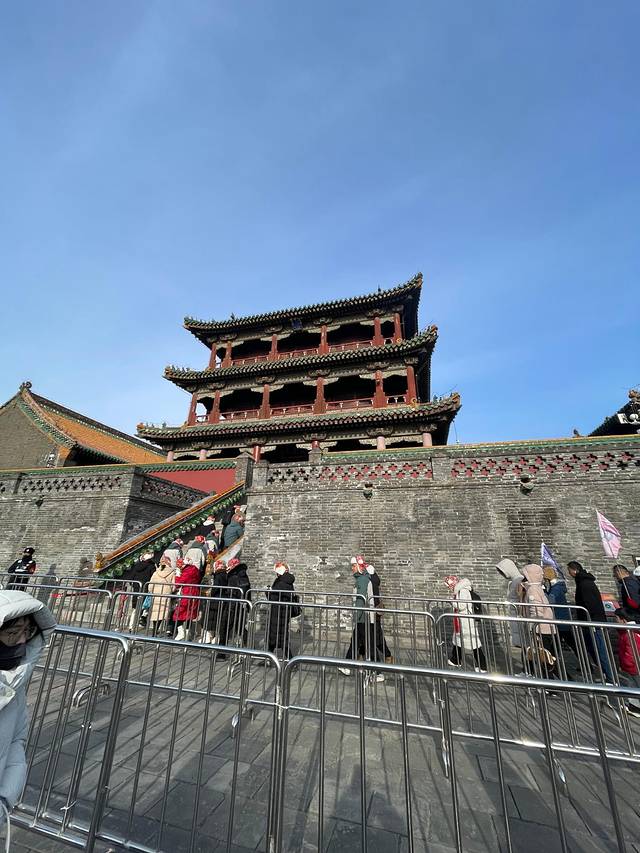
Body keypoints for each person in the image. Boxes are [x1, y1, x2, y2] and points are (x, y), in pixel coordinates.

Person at [0, 590, 56, 834]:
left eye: (28, 631)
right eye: (12, 633)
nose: (22, 641)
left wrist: (5, 798)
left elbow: (16, 742)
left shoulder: (14, 686)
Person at [567, 560, 614, 682]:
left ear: (574, 570)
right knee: (593, 649)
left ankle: (610, 676)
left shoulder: (585, 584)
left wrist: (590, 620)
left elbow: (590, 604)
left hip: (593, 622)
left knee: (600, 650)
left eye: (569, 570)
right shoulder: (583, 582)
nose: (569, 573)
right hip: (589, 622)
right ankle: (604, 673)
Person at [339, 556, 384, 682]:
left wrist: (357, 615)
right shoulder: (362, 579)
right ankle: (347, 666)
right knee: (356, 641)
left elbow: (361, 600)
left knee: (369, 644)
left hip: (364, 617)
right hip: (363, 617)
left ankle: (378, 672)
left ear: (359, 567)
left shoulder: (362, 580)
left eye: (354, 566)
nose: (352, 568)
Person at [520, 564, 557, 680]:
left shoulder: (532, 590)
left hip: (540, 628)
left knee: (544, 657)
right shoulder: (537, 588)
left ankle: (550, 682)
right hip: (545, 626)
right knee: (546, 656)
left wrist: (532, 627)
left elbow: (536, 611)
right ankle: (561, 679)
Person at [445, 575, 487, 672]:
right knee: (458, 640)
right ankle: (455, 659)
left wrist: (451, 601)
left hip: (466, 621)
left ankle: (483, 665)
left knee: (473, 643)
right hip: (462, 620)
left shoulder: (462, 591)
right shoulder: (461, 589)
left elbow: (462, 605)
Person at [266, 562, 300, 658]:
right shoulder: (288, 580)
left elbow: (273, 598)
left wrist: (268, 592)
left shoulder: (280, 582)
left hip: (278, 612)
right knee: (277, 635)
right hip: (284, 611)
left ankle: (290, 659)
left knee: (279, 635)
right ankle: (268, 657)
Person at [364, 561, 393, 663]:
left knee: (375, 636)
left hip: (372, 613)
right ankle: (360, 655)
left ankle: (385, 657)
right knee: (366, 635)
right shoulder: (374, 581)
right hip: (372, 612)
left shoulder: (370, 582)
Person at [614, 607, 640, 717]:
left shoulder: (630, 633)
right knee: (632, 686)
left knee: (634, 686)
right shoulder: (628, 631)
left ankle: (636, 707)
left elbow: (631, 653)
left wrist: (626, 665)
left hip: (633, 667)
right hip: (633, 666)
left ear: (623, 619)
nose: (615, 621)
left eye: (616, 618)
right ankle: (634, 706)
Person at [122, 552, 157, 631]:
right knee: (145, 606)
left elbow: (131, 577)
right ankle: (141, 620)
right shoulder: (151, 566)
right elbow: (153, 578)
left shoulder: (137, 566)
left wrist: (134, 585)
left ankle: (131, 625)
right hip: (146, 588)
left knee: (135, 608)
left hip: (137, 588)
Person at [495, 558, 524, 648]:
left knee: (524, 643)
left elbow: (520, 598)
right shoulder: (513, 582)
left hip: (518, 614)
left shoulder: (519, 581)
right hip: (514, 615)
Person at [203, 560, 230, 651]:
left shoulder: (218, 575)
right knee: (219, 619)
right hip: (223, 599)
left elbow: (216, 587)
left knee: (213, 618)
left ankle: (212, 638)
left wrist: (211, 593)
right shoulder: (226, 574)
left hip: (216, 599)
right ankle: (215, 637)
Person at [172, 557, 201, 641]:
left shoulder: (186, 572)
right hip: (195, 592)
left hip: (187, 592)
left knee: (179, 612)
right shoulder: (195, 570)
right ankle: (188, 634)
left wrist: (177, 574)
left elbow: (178, 583)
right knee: (189, 613)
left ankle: (181, 632)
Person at [147, 556, 175, 636]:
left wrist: (152, 591)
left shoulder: (156, 572)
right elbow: (173, 586)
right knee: (162, 613)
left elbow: (150, 585)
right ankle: (159, 629)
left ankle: (154, 631)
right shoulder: (172, 572)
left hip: (156, 594)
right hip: (165, 594)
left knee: (155, 613)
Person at [225, 558, 252, 644]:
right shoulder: (243, 575)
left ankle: (221, 646)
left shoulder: (234, 576)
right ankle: (248, 644)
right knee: (239, 626)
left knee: (227, 626)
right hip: (241, 604)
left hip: (234, 604)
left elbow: (234, 590)